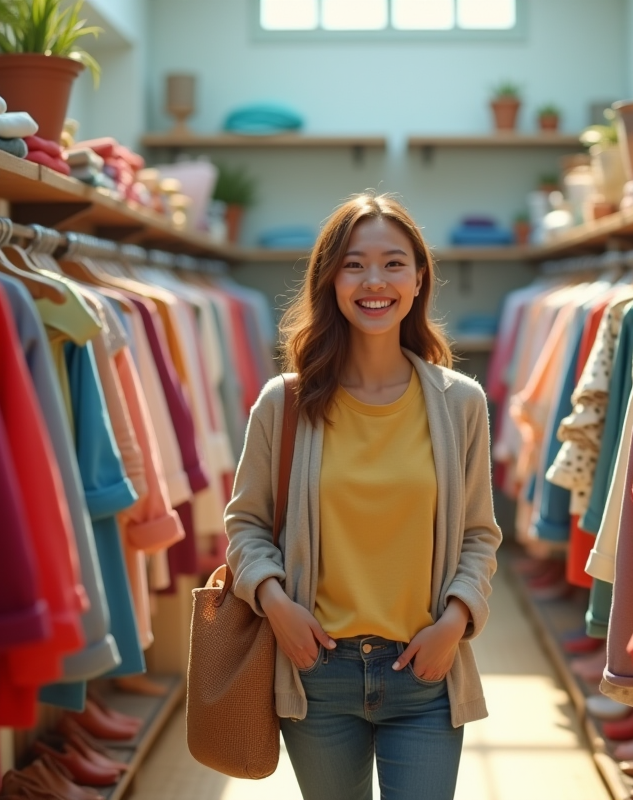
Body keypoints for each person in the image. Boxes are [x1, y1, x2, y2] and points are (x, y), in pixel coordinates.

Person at [225, 192, 503, 799]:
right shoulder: (284, 403)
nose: (373, 281)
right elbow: (245, 525)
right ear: (328, 278)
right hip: (315, 672)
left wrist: (455, 621)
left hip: (425, 673)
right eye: (353, 264)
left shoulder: (461, 404)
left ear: (420, 277)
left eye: (393, 263)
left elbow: (479, 535)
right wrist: (276, 604)